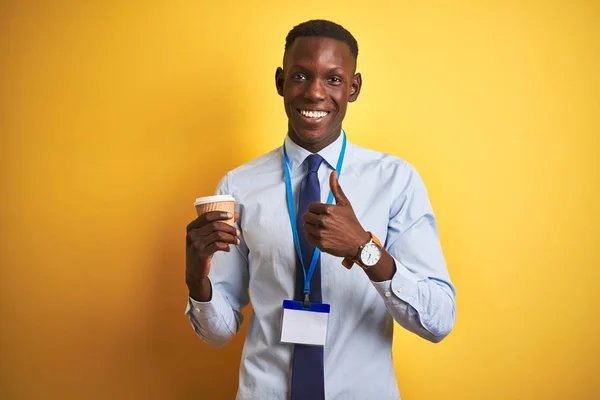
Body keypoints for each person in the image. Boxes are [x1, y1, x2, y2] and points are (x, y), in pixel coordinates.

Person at [185, 19, 456, 400]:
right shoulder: (238, 186)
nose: (314, 93)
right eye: (300, 76)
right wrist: (198, 282)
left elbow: (439, 321)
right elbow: (219, 332)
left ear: (353, 88)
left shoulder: (395, 181)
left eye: (333, 79)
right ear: (280, 82)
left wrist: (365, 249)